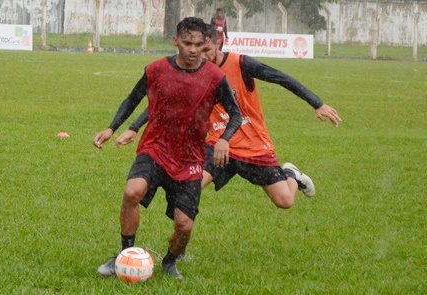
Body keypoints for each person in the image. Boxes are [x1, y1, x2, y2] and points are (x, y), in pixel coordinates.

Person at [116, 24, 342, 213]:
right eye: (197, 49)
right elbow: (165, 105)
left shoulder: (242, 64)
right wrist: (134, 127)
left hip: (254, 145)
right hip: (219, 144)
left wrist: (318, 103)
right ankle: (177, 253)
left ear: (218, 44)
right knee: (187, 195)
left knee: (285, 201)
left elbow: (282, 79)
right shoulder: (195, 72)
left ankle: (291, 174)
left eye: (206, 49)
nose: (200, 55)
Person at [93, 17, 242, 280]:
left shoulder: (215, 77)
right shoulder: (157, 69)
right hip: (156, 149)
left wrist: (224, 138)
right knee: (132, 192)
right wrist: (111, 128)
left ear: (207, 43)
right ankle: (125, 255)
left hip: (190, 159)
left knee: (184, 225)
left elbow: (235, 113)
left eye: (199, 44)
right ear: (175, 41)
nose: (193, 50)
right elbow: (133, 99)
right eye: (187, 43)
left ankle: (170, 262)